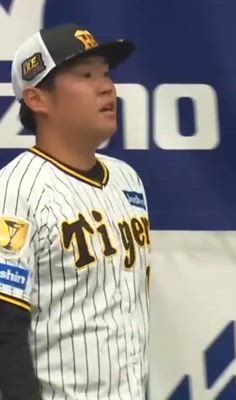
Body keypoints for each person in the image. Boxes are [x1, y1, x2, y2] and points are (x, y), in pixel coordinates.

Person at [0, 23, 151, 400]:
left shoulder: (128, 180)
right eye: (86, 76)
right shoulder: (15, 189)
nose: (107, 87)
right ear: (37, 99)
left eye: (106, 74)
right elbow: (4, 327)